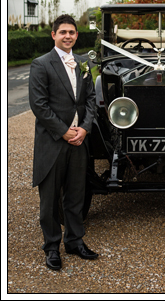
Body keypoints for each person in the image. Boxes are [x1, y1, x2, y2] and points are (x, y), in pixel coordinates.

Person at [29, 14, 98, 271]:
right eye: (63, 32)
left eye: (72, 32)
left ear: (77, 35)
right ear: (54, 35)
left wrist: (85, 129)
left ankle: (74, 241)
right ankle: (51, 247)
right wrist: (64, 131)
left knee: (76, 194)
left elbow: (91, 99)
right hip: (53, 142)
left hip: (79, 140)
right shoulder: (40, 64)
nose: (67, 36)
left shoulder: (82, 63)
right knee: (49, 199)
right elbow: (39, 105)